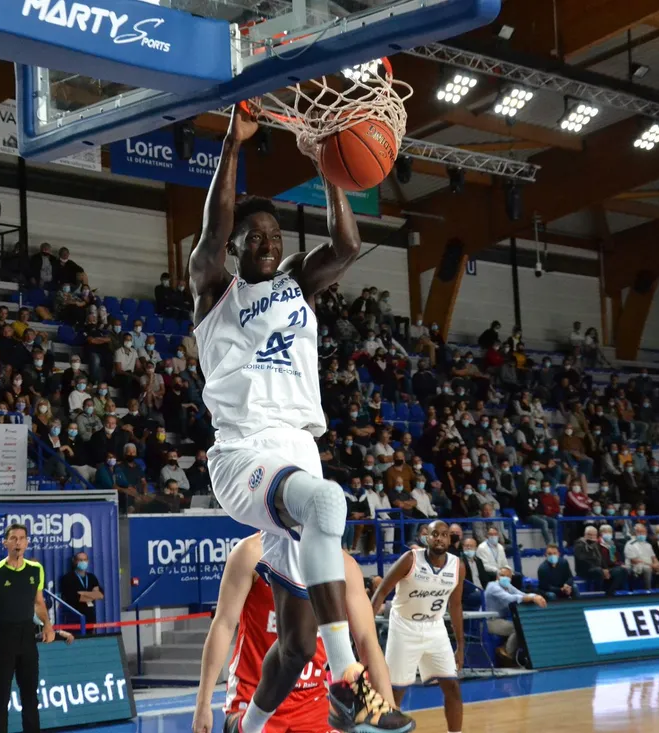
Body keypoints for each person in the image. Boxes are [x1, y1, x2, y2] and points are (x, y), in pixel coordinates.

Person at [187, 105, 408, 733]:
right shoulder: (214, 290)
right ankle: (347, 680)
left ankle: (248, 728)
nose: (267, 243)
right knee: (329, 503)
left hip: (297, 451)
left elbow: (348, 245)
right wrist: (233, 145)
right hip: (245, 453)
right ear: (235, 247)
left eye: (275, 236)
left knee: (295, 643)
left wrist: (330, 169)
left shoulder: (296, 285)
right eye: (254, 237)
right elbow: (211, 232)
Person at [192, 533, 392, 733]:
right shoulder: (251, 552)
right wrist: (203, 703)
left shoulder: (344, 566)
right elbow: (224, 625)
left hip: (311, 700)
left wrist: (390, 712)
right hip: (254, 693)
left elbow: (367, 642)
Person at [370, 521, 464, 733]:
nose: (439, 538)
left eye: (444, 534)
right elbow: (382, 592)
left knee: (452, 687)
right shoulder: (410, 559)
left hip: (435, 627)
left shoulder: (458, 566)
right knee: (395, 691)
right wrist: (365, 632)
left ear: (450, 539)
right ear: (426, 537)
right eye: (434, 534)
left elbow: (456, 605)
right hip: (404, 627)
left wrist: (460, 645)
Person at [0, 523, 54, 733]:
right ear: (5, 543)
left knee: (30, 695)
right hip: (3, 638)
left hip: (27, 637)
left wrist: (47, 625)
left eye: (21, 538)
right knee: (0, 695)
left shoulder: (36, 569)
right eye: (13, 538)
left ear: (27, 543)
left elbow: (39, 602)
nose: (18, 542)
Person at [483, 567, 546, 666]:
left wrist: (535, 596)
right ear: (497, 577)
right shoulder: (492, 586)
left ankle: (508, 650)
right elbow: (510, 598)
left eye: (507, 576)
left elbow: (522, 594)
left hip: (501, 620)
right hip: (488, 621)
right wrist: (532, 598)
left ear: (511, 578)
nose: (505, 578)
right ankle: (507, 653)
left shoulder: (508, 586)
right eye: (502, 575)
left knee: (522, 625)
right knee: (517, 627)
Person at [58, 551, 103, 627]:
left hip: (90, 617)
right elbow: (75, 598)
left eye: (85, 560)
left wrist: (83, 593)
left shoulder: (92, 577)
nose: (83, 562)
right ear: (75, 561)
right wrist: (92, 595)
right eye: (80, 560)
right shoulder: (67, 578)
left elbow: (100, 595)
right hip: (74, 618)